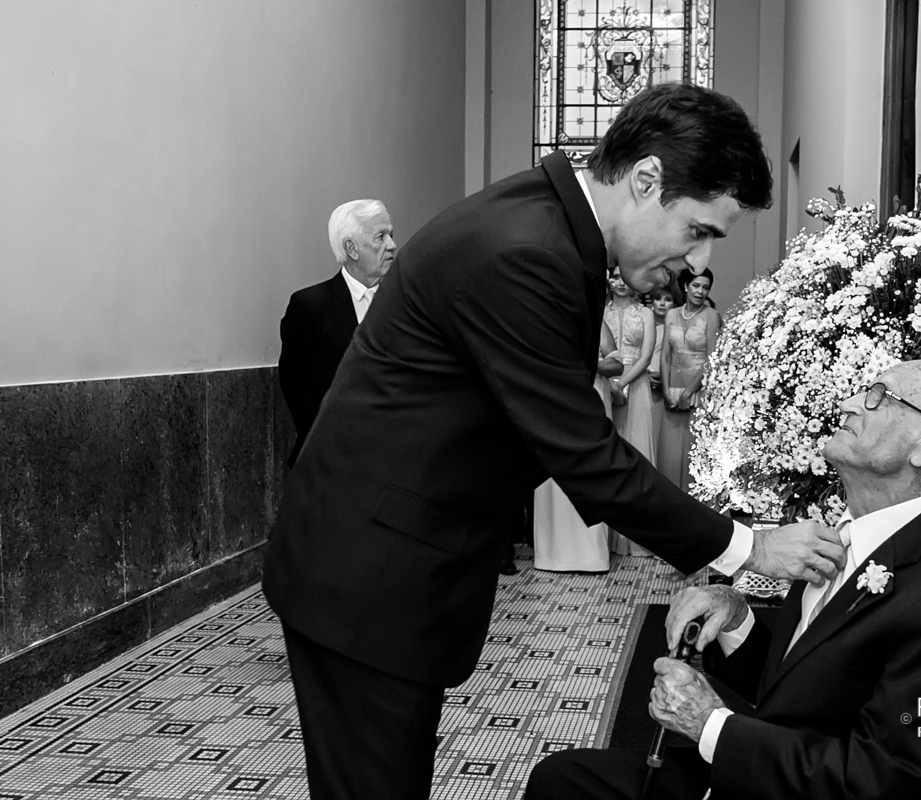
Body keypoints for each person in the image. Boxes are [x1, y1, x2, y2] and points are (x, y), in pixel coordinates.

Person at [262, 83, 845, 800]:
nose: (698, 263)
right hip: (368, 576)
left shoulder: (546, 227)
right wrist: (749, 546)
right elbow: (585, 455)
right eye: (699, 230)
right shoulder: (526, 252)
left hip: (391, 561)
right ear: (646, 179)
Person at [525, 359, 921, 800]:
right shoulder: (845, 537)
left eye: (879, 396)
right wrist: (736, 619)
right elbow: (807, 688)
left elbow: (884, 783)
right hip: (762, 773)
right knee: (563, 779)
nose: (847, 403)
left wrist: (711, 724)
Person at [277, 199, 395, 467]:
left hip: (391, 465)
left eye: (391, 234)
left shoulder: (400, 303)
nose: (392, 245)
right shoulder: (311, 307)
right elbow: (296, 386)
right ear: (351, 248)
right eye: (381, 237)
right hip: (329, 463)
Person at [532, 324, 623, 572]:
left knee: (591, 468)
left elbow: (617, 365)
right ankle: (552, 554)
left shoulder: (598, 322)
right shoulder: (543, 316)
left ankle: (591, 555)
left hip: (589, 397)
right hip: (551, 397)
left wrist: (587, 362)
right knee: (553, 473)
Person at [605, 266, 658, 557]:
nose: (620, 282)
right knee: (609, 458)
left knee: (637, 458)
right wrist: (610, 385)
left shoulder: (646, 314)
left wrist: (622, 383)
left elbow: (647, 353)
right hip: (604, 387)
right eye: (614, 277)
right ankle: (609, 538)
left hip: (636, 389)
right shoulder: (601, 313)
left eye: (623, 277)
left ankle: (640, 537)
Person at [656, 268, 721, 490]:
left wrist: (688, 392)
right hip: (671, 391)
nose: (700, 291)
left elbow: (712, 359)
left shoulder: (711, 316)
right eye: (696, 286)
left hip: (698, 393)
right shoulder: (672, 314)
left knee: (694, 457)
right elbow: (665, 355)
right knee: (669, 456)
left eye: (705, 287)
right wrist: (666, 390)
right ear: (686, 286)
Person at [646, 285, 674, 446]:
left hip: (667, 386)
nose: (662, 304)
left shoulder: (676, 329)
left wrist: (666, 380)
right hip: (641, 381)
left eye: (668, 300)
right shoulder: (641, 324)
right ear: (652, 302)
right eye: (658, 299)